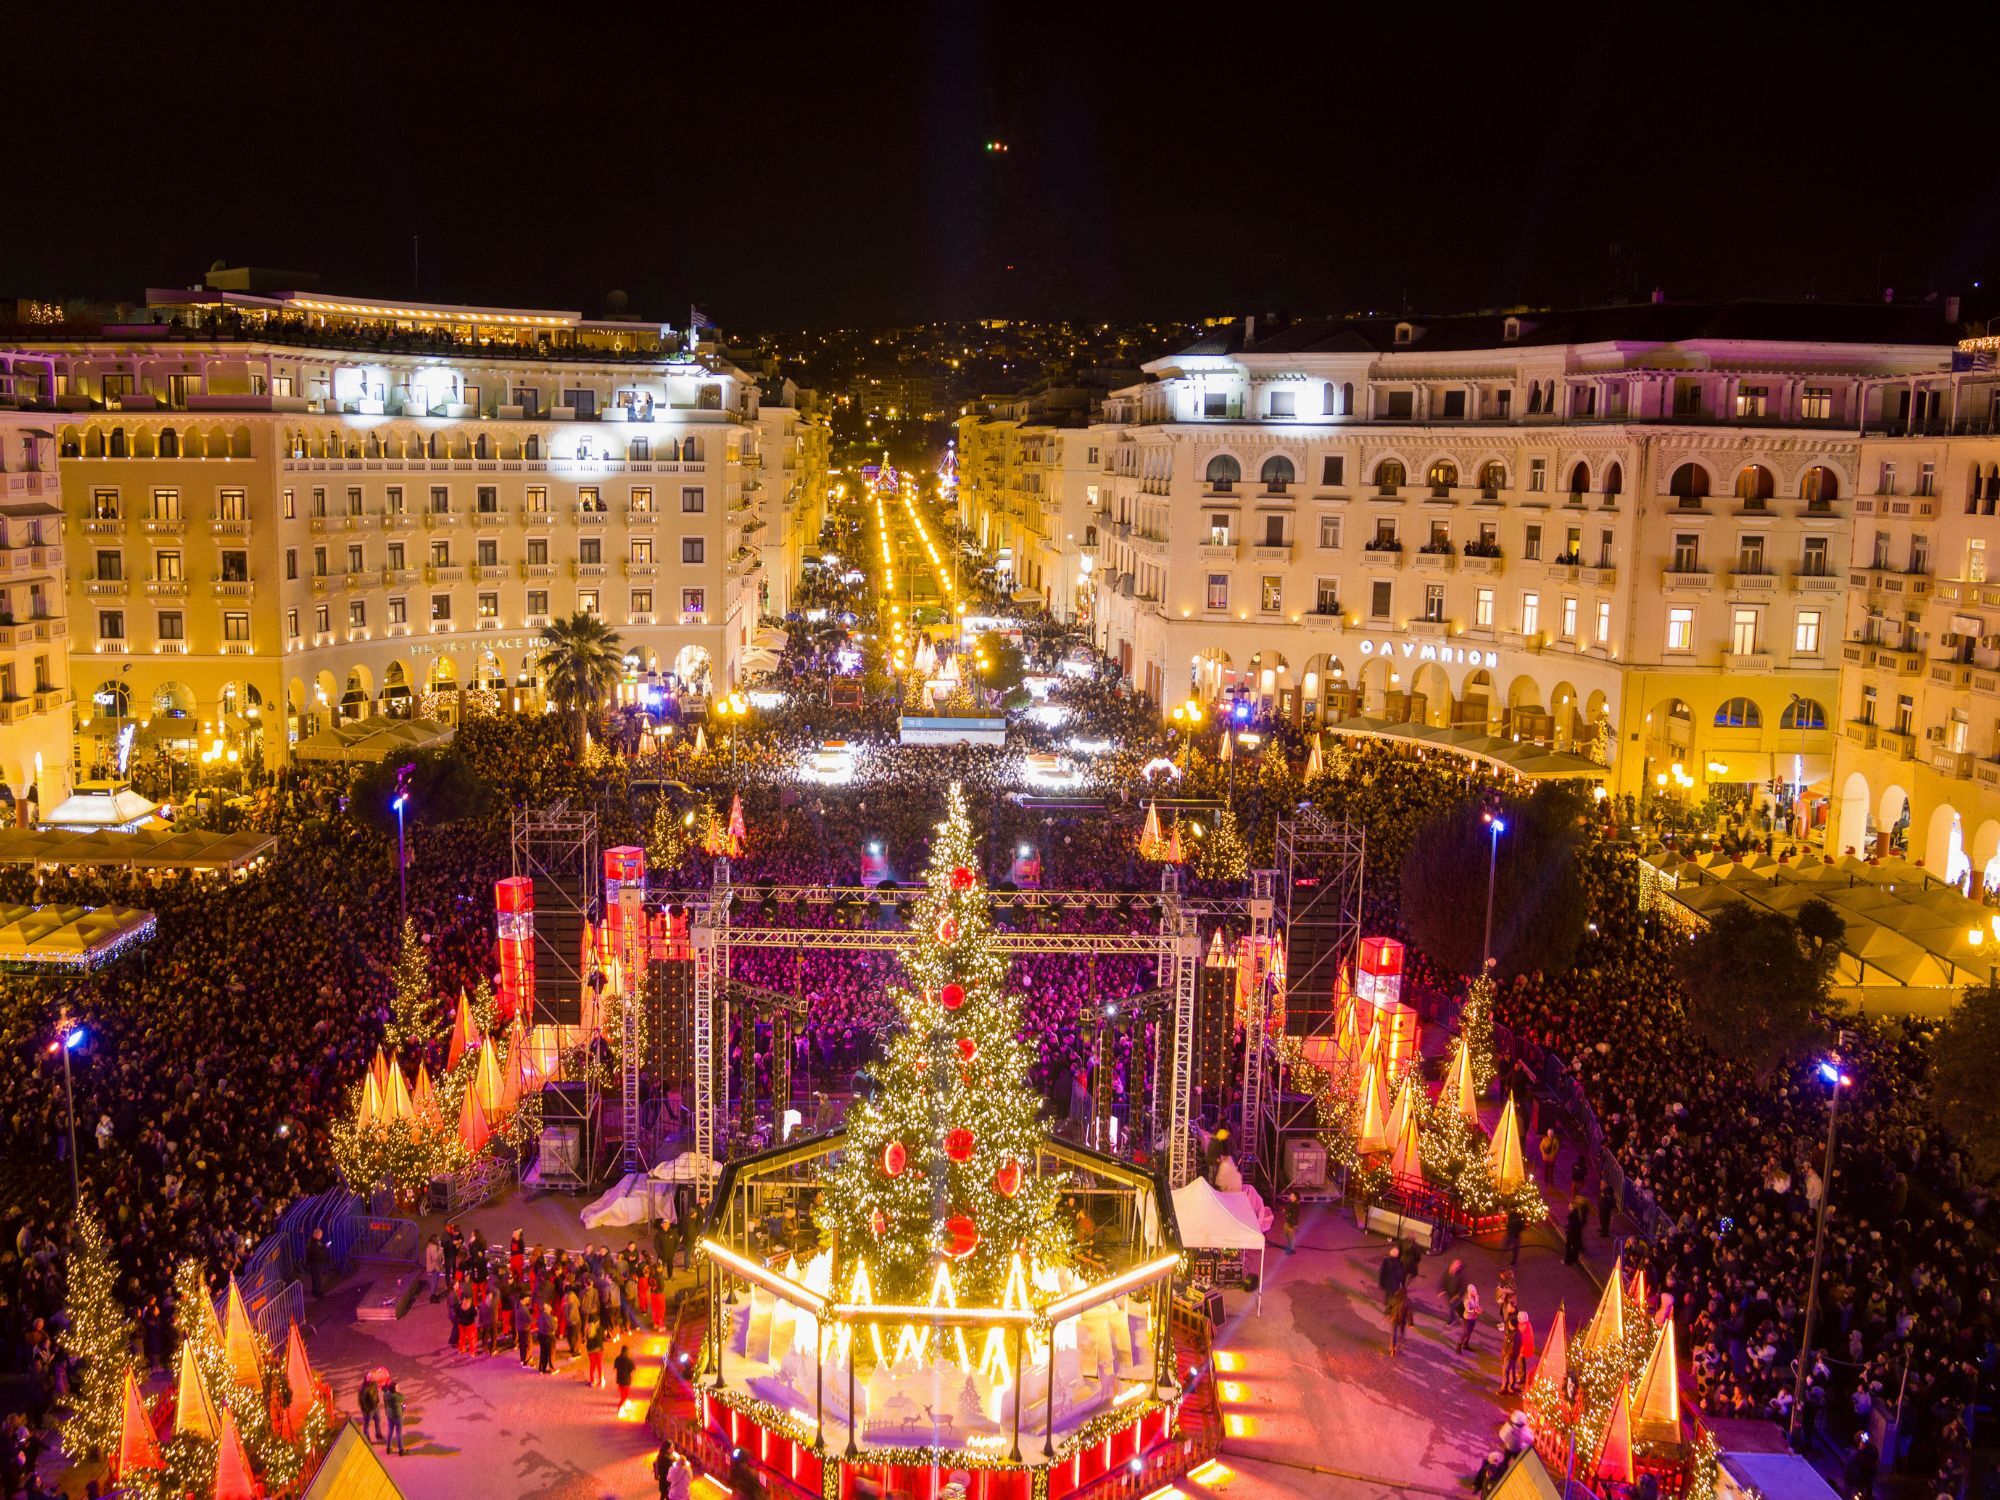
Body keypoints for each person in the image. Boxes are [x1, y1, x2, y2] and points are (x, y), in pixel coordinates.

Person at [382, 1377, 407, 1456]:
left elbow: (385, 1390)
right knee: (398, 1433)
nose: (399, 1388)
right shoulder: (396, 1397)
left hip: (389, 1415)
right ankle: (401, 1450)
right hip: (397, 1416)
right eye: (397, 1387)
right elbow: (403, 1397)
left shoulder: (386, 1394)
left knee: (390, 1431)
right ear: (393, 1390)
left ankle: (388, 1448)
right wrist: (398, 1392)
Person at [1377, 1243, 1406, 1311]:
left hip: (1387, 1281)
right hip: (1394, 1283)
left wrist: (1381, 1281)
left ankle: (1386, 1301)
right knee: (1393, 1295)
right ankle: (1390, 1306)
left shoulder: (1386, 1260)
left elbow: (1382, 1271)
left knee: (1387, 1292)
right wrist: (1402, 1282)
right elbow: (1400, 1274)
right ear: (1397, 1255)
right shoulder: (1398, 1263)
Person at [1387, 1284, 1413, 1355]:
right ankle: (1401, 1342)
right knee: (1401, 1331)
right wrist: (1410, 1323)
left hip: (1394, 1319)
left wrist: (1387, 1314)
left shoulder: (1394, 1298)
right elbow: (1409, 1313)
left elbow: (1389, 1307)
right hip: (1402, 1320)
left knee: (1393, 1333)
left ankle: (1392, 1348)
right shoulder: (1407, 1301)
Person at [1457, 1282, 1483, 1352]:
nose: (1475, 1292)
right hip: (1467, 1318)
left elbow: (1477, 1305)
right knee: (1465, 1332)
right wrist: (1474, 1311)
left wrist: (1479, 1309)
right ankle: (1459, 1345)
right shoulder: (1466, 1299)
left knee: (1470, 1331)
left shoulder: (1477, 1296)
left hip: (1474, 1317)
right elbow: (1467, 1310)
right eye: (1473, 1291)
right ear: (1470, 1291)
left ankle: (1466, 1344)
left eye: (1475, 1290)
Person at [357, 1373, 382, 1443]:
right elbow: (362, 1401)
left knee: (378, 1420)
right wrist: (367, 1410)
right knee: (367, 1424)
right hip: (369, 1410)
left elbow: (376, 1391)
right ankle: (367, 1438)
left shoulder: (373, 1384)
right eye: (371, 1377)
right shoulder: (363, 1388)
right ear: (367, 1379)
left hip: (375, 1407)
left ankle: (378, 1433)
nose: (372, 1378)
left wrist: (377, 1401)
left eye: (372, 1377)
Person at [306, 1227, 331, 1298]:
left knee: (315, 1278)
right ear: (318, 1235)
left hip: (314, 1263)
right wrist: (326, 1248)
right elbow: (319, 1253)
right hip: (316, 1263)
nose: (321, 1236)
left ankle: (315, 1291)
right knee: (317, 1278)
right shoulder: (314, 1243)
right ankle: (318, 1293)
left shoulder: (312, 1241)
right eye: (320, 1235)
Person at [1564, 1199, 1587, 1266]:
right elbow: (1581, 1223)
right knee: (1575, 1248)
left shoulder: (1572, 1215)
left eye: (1570, 1206)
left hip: (1572, 1234)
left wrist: (1567, 1228)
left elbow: (1571, 1225)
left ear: (1573, 1207)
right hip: (1577, 1234)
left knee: (1568, 1247)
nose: (1568, 1207)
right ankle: (1575, 1261)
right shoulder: (1579, 1214)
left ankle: (1567, 1261)